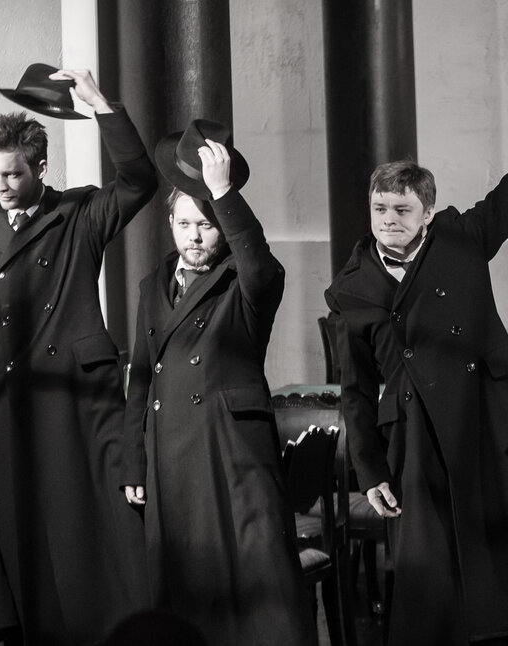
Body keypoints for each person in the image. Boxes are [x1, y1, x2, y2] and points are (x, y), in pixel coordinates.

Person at [325, 68, 508, 644]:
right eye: (379, 209)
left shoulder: (461, 237)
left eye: (401, 209)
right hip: (413, 438)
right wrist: (370, 469)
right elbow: (355, 389)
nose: (388, 221)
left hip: (483, 420)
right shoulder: (351, 288)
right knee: (430, 584)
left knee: (499, 566)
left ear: (427, 212)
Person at [120, 120, 315, 644]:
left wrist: (225, 194)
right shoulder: (152, 286)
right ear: (170, 224)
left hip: (230, 456)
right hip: (169, 462)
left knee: (257, 588)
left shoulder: (246, 281)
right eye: (185, 224)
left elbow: (259, 265)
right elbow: (140, 379)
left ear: (223, 227)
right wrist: (133, 460)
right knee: (186, 592)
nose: (194, 236)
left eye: (207, 225)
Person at [0, 69, 156, 644]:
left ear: (41, 168)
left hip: (79, 404)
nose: (1, 186)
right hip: (11, 406)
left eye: (12, 174)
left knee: (94, 541)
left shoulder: (79, 214)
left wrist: (101, 106)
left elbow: (139, 180)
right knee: (26, 544)